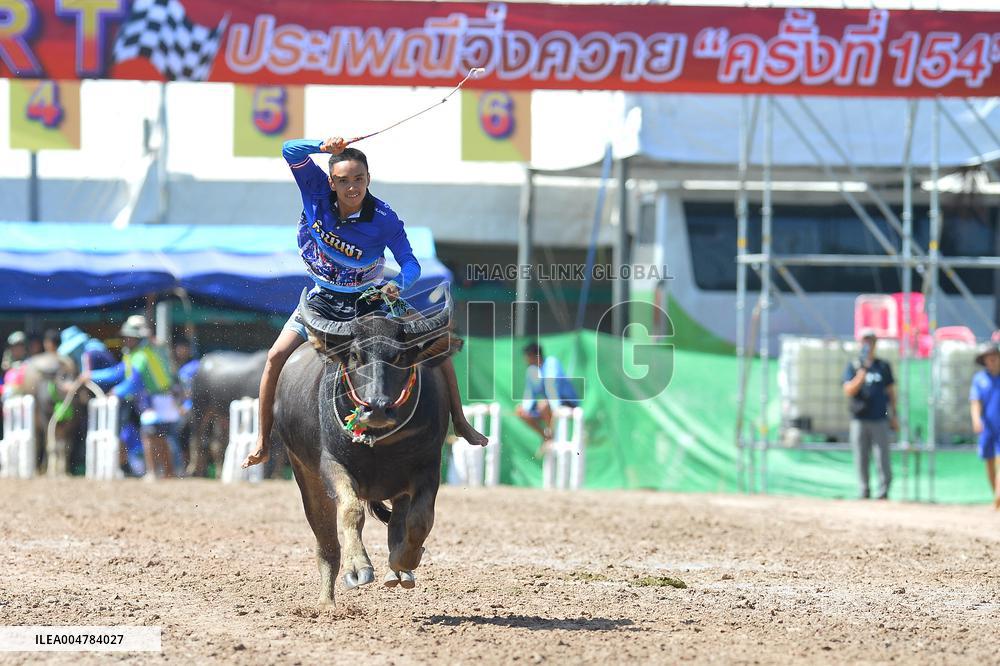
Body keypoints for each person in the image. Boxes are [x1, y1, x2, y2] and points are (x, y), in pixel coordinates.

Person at [242, 137, 487, 469]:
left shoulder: (384, 218)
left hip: (372, 299)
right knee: (275, 357)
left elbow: (411, 263)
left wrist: (399, 285)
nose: (352, 187)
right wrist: (323, 145)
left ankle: (460, 422)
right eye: (343, 180)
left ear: (368, 179)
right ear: (331, 182)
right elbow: (289, 150)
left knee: (436, 346)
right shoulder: (314, 190)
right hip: (322, 298)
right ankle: (262, 442)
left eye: (359, 179)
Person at [86, 315, 182, 480]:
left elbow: (134, 383)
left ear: (138, 338)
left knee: (151, 436)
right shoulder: (136, 354)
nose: (126, 340)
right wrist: (91, 375)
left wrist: (116, 391)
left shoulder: (142, 355)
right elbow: (117, 372)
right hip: (152, 401)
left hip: (159, 400)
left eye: (130, 337)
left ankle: (157, 473)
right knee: (156, 436)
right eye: (126, 337)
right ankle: (166, 473)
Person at [842, 329, 897, 500]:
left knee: (882, 456)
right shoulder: (853, 365)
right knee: (861, 456)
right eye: (865, 341)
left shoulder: (883, 366)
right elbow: (849, 390)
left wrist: (892, 414)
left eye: (871, 341)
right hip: (859, 418)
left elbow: (891, 393)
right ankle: (864, 490)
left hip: (879, 418)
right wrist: (861, 373)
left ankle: (884, 491)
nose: (868, 344)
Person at [514, 343, 580, 456]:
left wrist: (555, 410)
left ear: (534, 356)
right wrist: (525, 410)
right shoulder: (532, 371)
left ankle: (551, 435)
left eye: (527, 356)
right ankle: (546, 437)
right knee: (520, 410)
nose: (525, 360)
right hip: (549, 406)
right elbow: (529, 395)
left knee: (543, 405)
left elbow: (552, 389)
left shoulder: (551, 363)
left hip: (567, 403)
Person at [970, 342, 1000, 509]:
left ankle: (998, 496)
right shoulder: (979, 379)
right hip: (988, 428)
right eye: (989, 358)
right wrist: (976, 419)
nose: (992, 360)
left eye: (994, 356)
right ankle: (996, 497)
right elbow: (975, 402)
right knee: (989, 462)